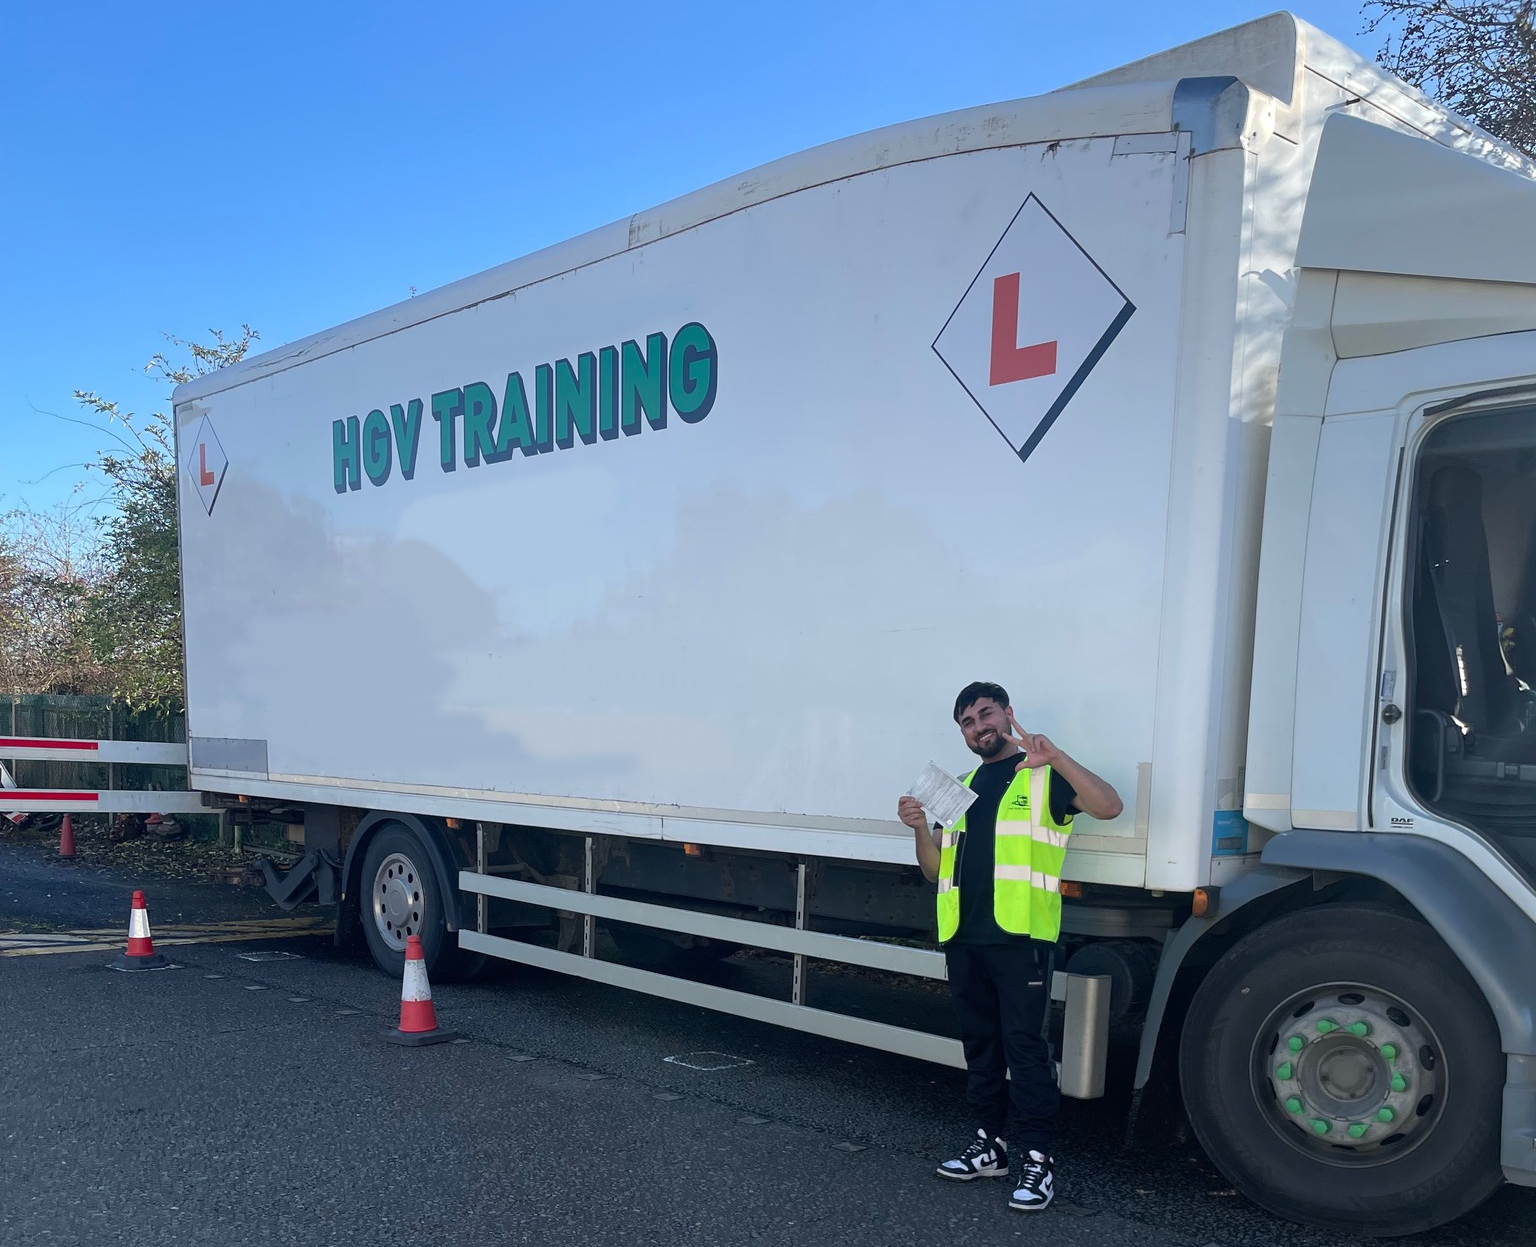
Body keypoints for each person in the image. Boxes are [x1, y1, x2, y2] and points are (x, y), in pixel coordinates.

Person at [897, 680, 1122, 1213]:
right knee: (980, 1047)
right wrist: (917, 831)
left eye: (986, 714)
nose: (980, 727)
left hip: (1021, 940)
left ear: (1007, 715)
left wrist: (1057, 755)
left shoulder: (1044, 775)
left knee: (1026, 1054)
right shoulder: (960, 787)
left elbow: (1109, 807)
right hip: (964, 939)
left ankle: (1038, 1161)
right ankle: (989, 1147)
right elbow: (935, 873)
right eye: (969, 723)